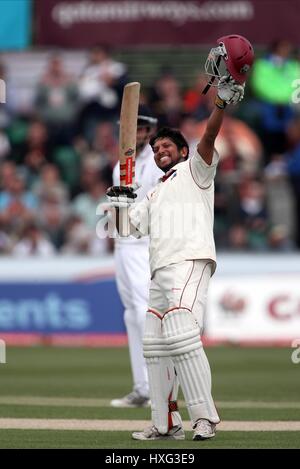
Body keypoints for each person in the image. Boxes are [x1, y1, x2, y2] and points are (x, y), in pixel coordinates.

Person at [107, 36, 252, 440]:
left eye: (168, 145)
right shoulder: (151, 192)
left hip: (190, 260)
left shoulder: (197, 171)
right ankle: (164, 423)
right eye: (156, 148)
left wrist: (221, 101)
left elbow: (208, 137)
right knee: (153, 346)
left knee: (182, 334)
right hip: (158, 269)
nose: (160, 150)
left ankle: (204, 417)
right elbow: (127, 230)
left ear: (183, 152)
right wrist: (119, 201)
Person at [110, 105, 163, 407]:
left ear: (149, 131)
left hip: (143, 243)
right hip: (122, 243)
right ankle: (142, 387)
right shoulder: (120, 165)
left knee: (145, 311)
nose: (136, 133)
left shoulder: (156, 163)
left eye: (142, 128)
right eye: (132, 127)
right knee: (130, 313)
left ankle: (158, 386)